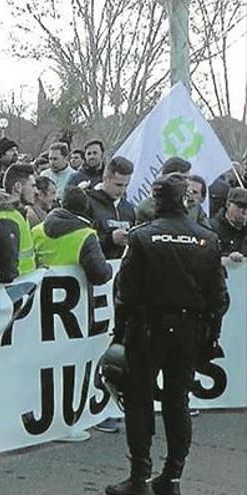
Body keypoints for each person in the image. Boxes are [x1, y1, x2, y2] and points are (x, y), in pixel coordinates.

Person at [106, 174, 229, 495]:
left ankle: (140, 477)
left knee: (139, 401)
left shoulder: (143, 237)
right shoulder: (207, 239)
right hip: (188, 331)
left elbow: (125, 294)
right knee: (178, 401)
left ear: (157, 199)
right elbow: (219, 299)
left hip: (147, 329)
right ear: (184, 199)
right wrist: (209, 334)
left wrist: (119, 335)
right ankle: (172, 476)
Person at [33, 186, 112, 285]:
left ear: (62, 204)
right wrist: (110, 268)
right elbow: (100, 276)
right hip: (75, 298)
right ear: (86, 208)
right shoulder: (86, 235)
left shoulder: (36, 231)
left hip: (40, 296)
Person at [0, 164, 37, 283]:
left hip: (24, 288)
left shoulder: (17, 214)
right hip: (16, 291)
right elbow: (7, 270)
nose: (36, 191)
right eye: (32, 186)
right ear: (18, 187)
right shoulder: (7, 219)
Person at [135, 158, 211, 228]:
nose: (188, 183)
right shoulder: (146, 208)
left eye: (188, 178)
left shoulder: (194, 205)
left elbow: (207, 234)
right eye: (183, 178)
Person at [87, 157, 136, 260]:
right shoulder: (88, 202)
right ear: (105, 178)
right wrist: (111, 239)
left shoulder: (128, 208)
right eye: (118, 185)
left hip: (121, 268)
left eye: (126, 186)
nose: (122, 190)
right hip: (94, 267)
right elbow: (81, 241)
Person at [210, 187, 247, 261]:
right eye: (240, 206)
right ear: (228, 204)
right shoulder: (211, 228)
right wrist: (228, 257)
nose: (245, 211)